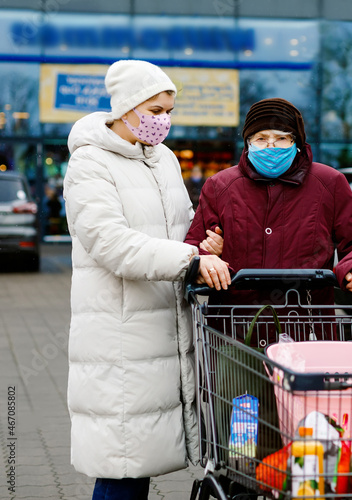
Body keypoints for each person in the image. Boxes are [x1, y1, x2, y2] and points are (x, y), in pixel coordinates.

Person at [63, 59, 229, 500]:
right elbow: (110, 243)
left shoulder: (164, 160)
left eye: (169, 110)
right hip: (119, 336)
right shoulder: (89, 164)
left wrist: (203, 244)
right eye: (155, 110)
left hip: (161, 327)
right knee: (123, 465)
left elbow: (182, 226)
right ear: (127, 107)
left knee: (142, 455)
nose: (164, 120)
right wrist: (188, 260)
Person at [185, 97, 352, 307]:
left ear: (296, 141)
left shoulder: (329, 183)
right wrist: (207, 256)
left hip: (306, 325)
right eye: (261, 138)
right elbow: (192, 249)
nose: (271, 146)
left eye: (281, 138)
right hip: (237, 325)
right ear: (248, 143)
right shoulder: (220, 186)